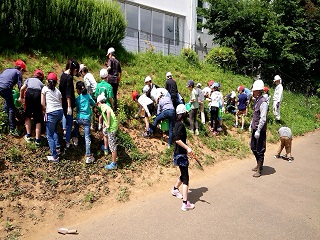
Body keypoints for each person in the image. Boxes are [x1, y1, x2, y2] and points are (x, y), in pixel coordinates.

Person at [171, 104, 195, 211]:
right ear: (183, 114)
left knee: (183, 174)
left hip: (178, 154)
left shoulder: (176, 124)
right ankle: (185, 203)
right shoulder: (180, 125)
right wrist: (187, 148)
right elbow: (177, 139)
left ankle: (175, 189)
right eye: (186, 112)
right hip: (181, 155)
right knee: (186, 178)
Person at [41, 72, 63, 162]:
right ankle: (57, 147)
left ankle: (54, 156)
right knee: (54, 130)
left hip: (51, 112)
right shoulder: (58, 91)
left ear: (47, 81)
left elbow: (42, 103)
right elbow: (60, 103)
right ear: (56, 82)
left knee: (49, 134)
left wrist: (44, 110)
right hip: (60, 111)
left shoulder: (45, 89)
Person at [0, 59, 26, 136]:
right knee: (11, 108)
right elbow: (20, 86)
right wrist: (22, 97)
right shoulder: (18, 73)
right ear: (21, 69)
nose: (23, 72)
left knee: (7, 99)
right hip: (5, 88)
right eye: (24, 71)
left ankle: (4, 117)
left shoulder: (7, 69)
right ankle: (12, 129)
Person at [73, 81, 96, 164]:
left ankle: (76, 139)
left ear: (78, 90)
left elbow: (77, 109)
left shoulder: (78, 98)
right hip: (87, 119)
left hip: (79, 117)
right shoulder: (88, 96)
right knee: (87, 137)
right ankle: (88, 156)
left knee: (75, 124)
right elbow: (93, 104)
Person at [19, 69, 45, 144]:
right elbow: (43, 95)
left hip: (29, 93)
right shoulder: (41, 84)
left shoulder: (29, 79)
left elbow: (22, 89)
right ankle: (37, 140)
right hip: (38, 94)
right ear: (41, 78)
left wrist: (21, 98)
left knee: (28, 115)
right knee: (38, 118)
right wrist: (43, 108)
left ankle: (28, 135)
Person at [59, 59, 79, 149]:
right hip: (67, 103)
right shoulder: (69, 78)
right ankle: (67, 141)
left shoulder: (63, 75)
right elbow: (68, 93)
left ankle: (64, 134)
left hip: (62, 102)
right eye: (76, 70)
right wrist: (70, 107)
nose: (76, 72)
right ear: (73, 69)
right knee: (70, 122)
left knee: (65, 118)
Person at [250, 79, 268, 177]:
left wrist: (258, 129)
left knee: (260, 149)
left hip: (260, 130)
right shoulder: (257, 101)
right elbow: (255, 115)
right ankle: (258, 163)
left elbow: (263, 118)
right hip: (254, 128)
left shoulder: (263, 102)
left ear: (258, 91)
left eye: (254, 91)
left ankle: (260, 169)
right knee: (253, 147)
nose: (252, 92)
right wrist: (251, 125)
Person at [97, 93, 118, 170]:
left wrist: (108, 123)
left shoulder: (103, 106)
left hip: (112, 127)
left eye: (97, 103)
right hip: (111, 126)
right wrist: (104, 126)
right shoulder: (105, 105)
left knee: (112, 145)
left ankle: (114, 163)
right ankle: (106, 148)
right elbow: (104, 116)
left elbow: (108, 112)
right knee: (105, 133)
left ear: (99, 102)